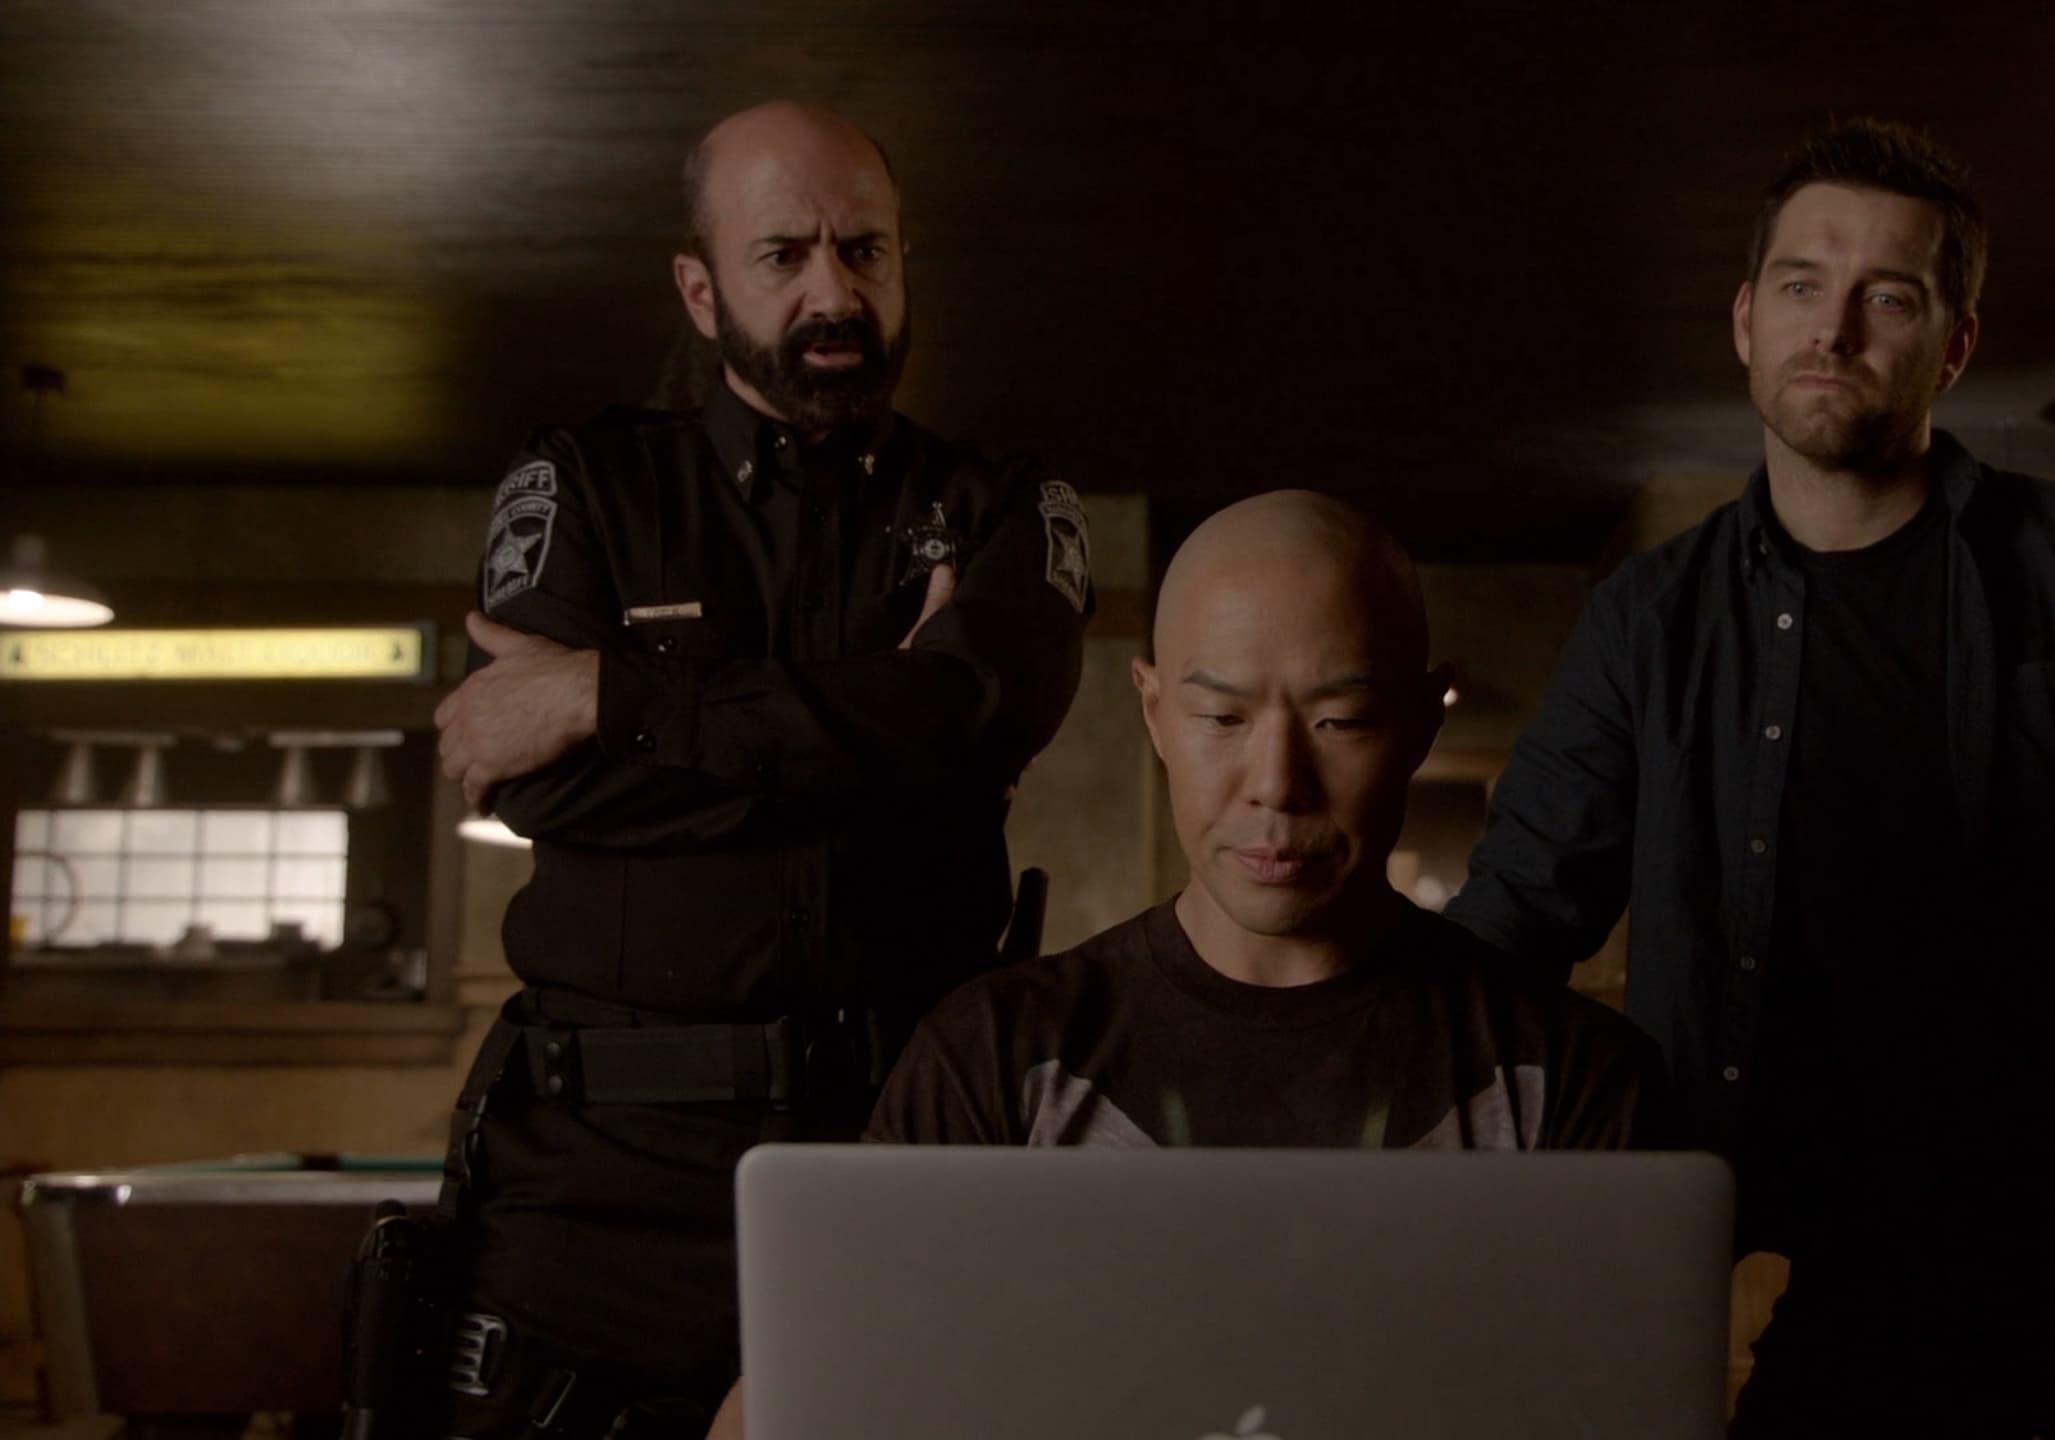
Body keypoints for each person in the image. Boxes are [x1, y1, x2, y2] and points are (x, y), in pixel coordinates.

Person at [1447, 119, 2055, 1438]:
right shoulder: (1650, 624)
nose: (1832, 330)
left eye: (1887, 297)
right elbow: (1506, 935)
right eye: (1800, 285)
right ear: (1745, 322)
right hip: (1849, 1293)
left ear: (1955, 344)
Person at [702, 489, 1663, 1440]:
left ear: (1420, 722)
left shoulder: (1564, 1077)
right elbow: (792, 1406)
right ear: (1155, 712)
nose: (1276, 784)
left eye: (1340, 721)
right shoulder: (998, 1056)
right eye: (1222, 718)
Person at [421, 100, 1088, 1436]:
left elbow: (979, 715)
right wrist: (882, 727)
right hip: (598, 1184)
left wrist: (611, 695)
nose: (834, 293)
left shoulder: (1001, 505)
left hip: (901, 1152)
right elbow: (540, 783)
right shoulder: (587, 488)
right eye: (783, 255)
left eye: (865, 250)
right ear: (699, 286)